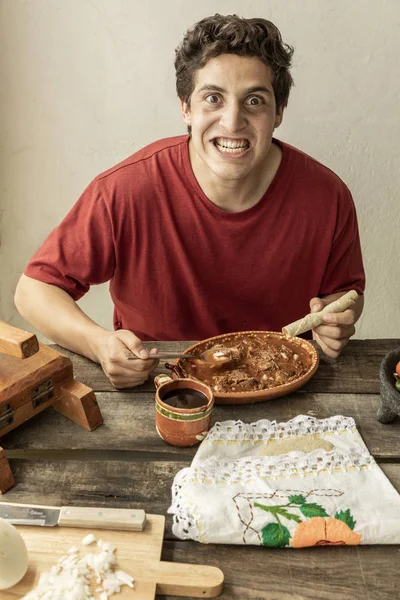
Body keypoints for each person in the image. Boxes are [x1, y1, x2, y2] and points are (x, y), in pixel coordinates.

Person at [14, 14, 365, 389]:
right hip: (159, 389)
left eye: (255, 101)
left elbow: (345, 295)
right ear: (186, 107)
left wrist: (335, 323)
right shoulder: (126, 190)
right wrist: (99, 344)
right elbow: (34, 291)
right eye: (213, 98)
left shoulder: (328, 196)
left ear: (278, 112)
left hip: (285, 390)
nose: (232, 122)